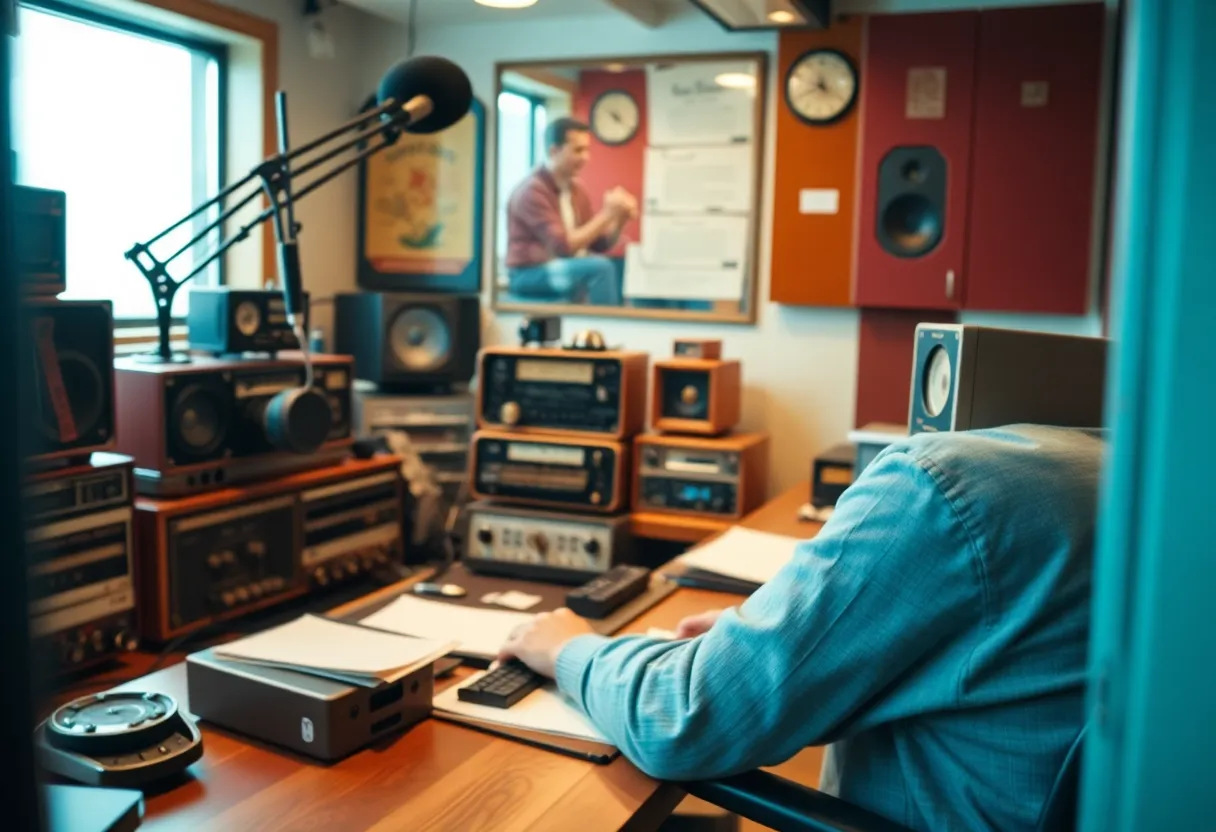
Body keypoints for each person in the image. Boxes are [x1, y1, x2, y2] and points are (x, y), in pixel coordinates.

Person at [498, 424, 1104, 832]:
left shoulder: (946, 486)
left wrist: (567, 647)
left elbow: (684, 719)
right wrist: (786, 637)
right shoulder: (1140, 476)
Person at [504, 117, 636, 305]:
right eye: (578, 150)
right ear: (554, 151)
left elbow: (599, 244)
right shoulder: (532, 192)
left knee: (617, 265)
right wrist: (607, 214)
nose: (586, 157)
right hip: (528, 275)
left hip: (560, 266)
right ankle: (606, 328)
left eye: (587, 150)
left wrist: (619, 218)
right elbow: (564, 247)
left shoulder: (576, 190)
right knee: (600, 268)